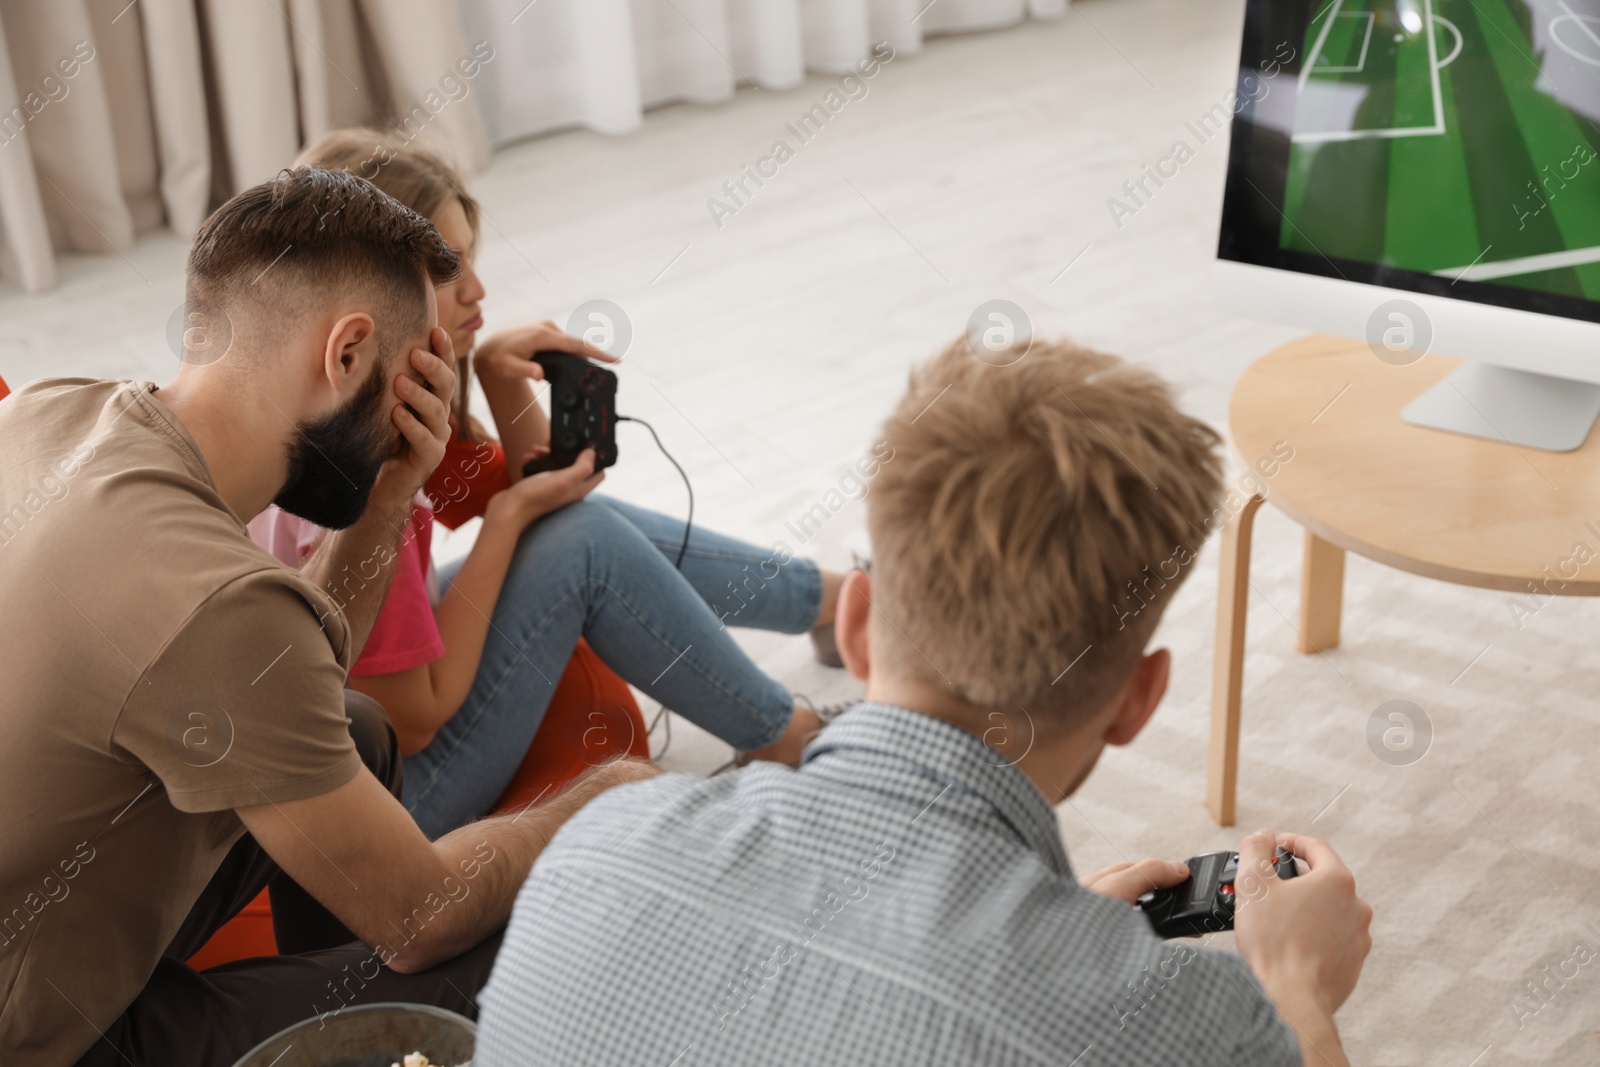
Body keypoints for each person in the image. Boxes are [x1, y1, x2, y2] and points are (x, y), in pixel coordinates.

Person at [471, 337, 1374, 1066]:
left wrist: (1060, 931)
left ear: (856, 626)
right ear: (1138, 702)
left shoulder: (594, 848)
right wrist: (1295, 992)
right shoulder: (1194, 1031)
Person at [0, 166, 659, 1067]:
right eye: (417, 367)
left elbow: (289, 666)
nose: (424, 400)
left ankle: (319, 1003)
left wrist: (390, 495)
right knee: (502, 935)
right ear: (348, 354)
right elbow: (420, 917)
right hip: (46, 1037)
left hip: (40, 913)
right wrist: (606, 798)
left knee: (357, 727)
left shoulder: (49, 411)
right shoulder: (215, 606)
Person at [247, 129, 851, 839]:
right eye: (449, 268)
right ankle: (790, 737)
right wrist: (505, 521)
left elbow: (545, 493)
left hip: (360, 755)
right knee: (583, 545)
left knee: (566, 527)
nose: (477, 288)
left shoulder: (333, 400)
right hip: (394, 811)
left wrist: (502, 381)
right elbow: (414, 722)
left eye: (470, 256)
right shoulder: (369, 486)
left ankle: (832, 601)